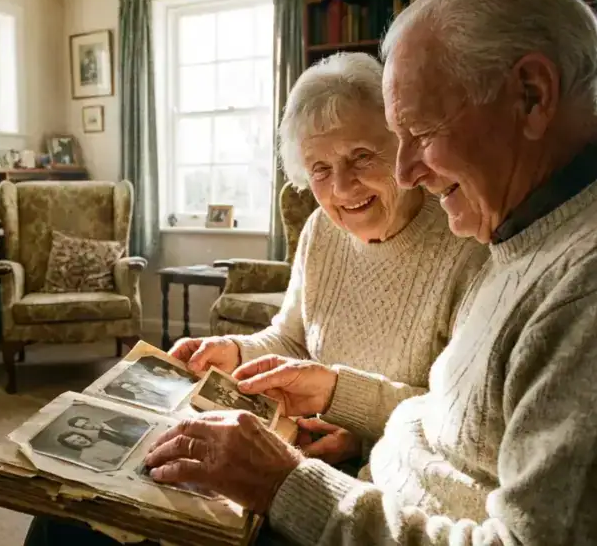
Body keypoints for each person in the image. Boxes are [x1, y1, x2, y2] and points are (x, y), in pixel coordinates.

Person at [144, 0, 597, 544]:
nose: (406, 170)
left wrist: (288, 485)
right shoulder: (532, 230)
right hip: (362, 492)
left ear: (532, 94)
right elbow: (457, 419)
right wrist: (324, 404)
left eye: (418, 131)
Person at [171, 50, 487, 467]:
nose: (341, 188)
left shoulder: (465, 239)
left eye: (361, 156)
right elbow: (291, 338)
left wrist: (361, 435)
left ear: (404, 146)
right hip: (308, 449)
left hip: (397, 472)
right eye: (320, 168)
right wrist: (234, 352)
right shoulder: (321, 229)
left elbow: (465, 417)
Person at [66, 415, 150, 448]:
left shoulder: (120, 419)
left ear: (90, 418)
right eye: (84, 427)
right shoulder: (103, 437)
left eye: (87, 422)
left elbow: (147, 423)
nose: (89, 426)